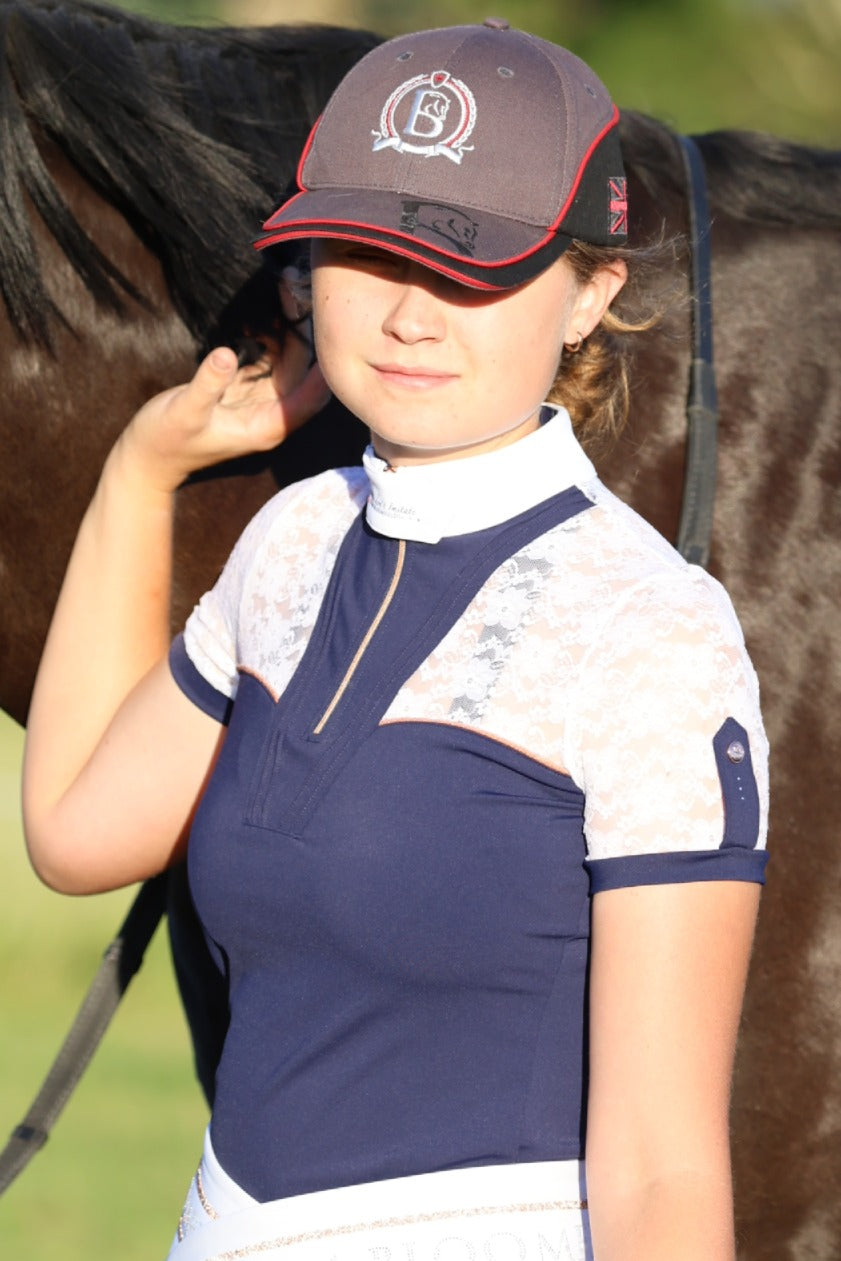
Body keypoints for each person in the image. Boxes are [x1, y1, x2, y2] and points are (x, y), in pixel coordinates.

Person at [21, 20, 768, 1261]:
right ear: (304, 276)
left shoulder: (652, 630)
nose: (410, 312)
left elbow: (661, 1171)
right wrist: (138, 475)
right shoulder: (292, 543)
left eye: (470, 265)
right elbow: (74, 831)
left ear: (592, 292)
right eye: (365, 253)